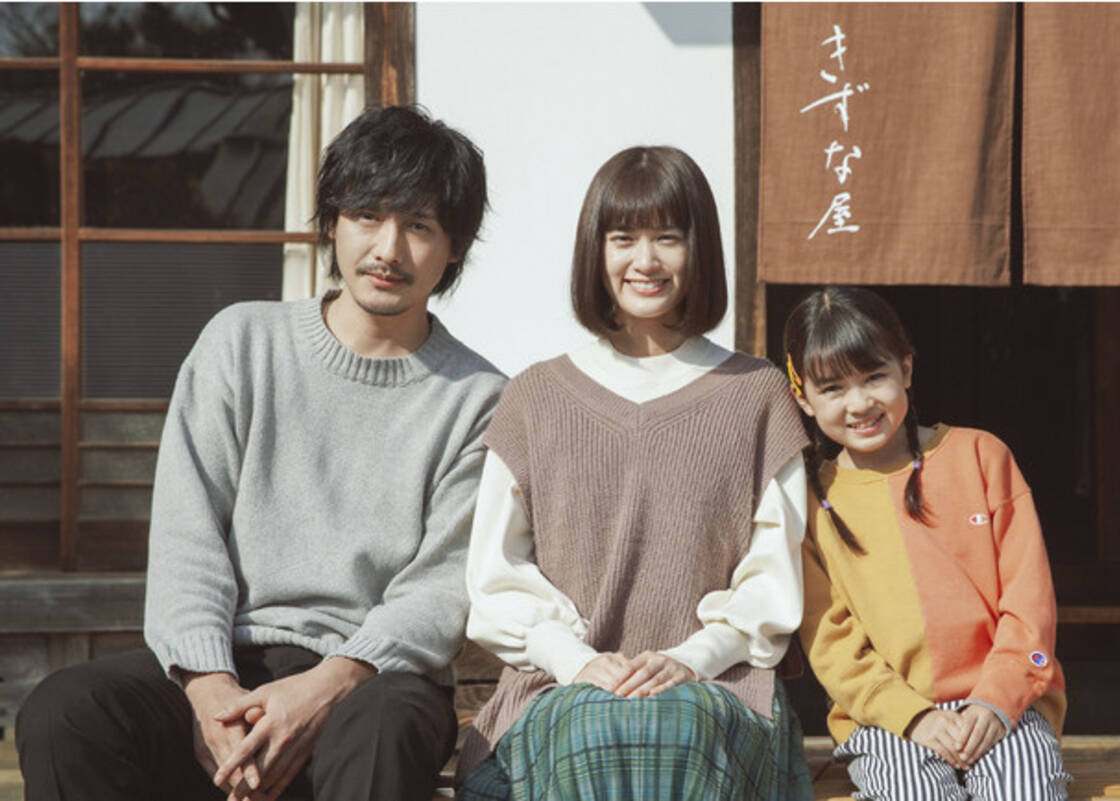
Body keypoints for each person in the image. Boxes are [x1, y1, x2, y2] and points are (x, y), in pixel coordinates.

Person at [16, 105, 506, 801]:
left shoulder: (480, 398)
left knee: (385, 725)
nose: (388, 249)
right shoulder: (242, 343)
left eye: (419, 226)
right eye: (367, 216)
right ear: (332, 222)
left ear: (454, 246)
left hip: (372, 681)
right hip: (228, 661)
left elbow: (438, 590)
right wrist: (208, 688)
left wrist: (325, 686)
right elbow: (188, 536)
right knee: (66, 711)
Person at [455, 145, 815, 801]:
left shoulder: (757, 394)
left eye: (667, 238)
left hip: (721, 689)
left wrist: (690, 659)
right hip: (559, 688)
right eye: (623, 238)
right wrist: (579, 661)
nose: (645, 260)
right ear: (596, 251)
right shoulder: (534, 398)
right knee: (594, 729)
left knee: (676, 727)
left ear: (699, 251)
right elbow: (495, 577)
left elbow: (773, 577)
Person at [782, 285, 1071, 801]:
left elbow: (1029, 601)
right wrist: (912, 717)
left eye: (875, 377)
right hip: (886, 718)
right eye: (833, 388)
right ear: (803, 397)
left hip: (1002, 704)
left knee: (1025, 789)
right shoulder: (809, 501)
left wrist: (994, 701)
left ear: (906, 369)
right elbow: (830, 642)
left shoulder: (981, 456)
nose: (860, 403)